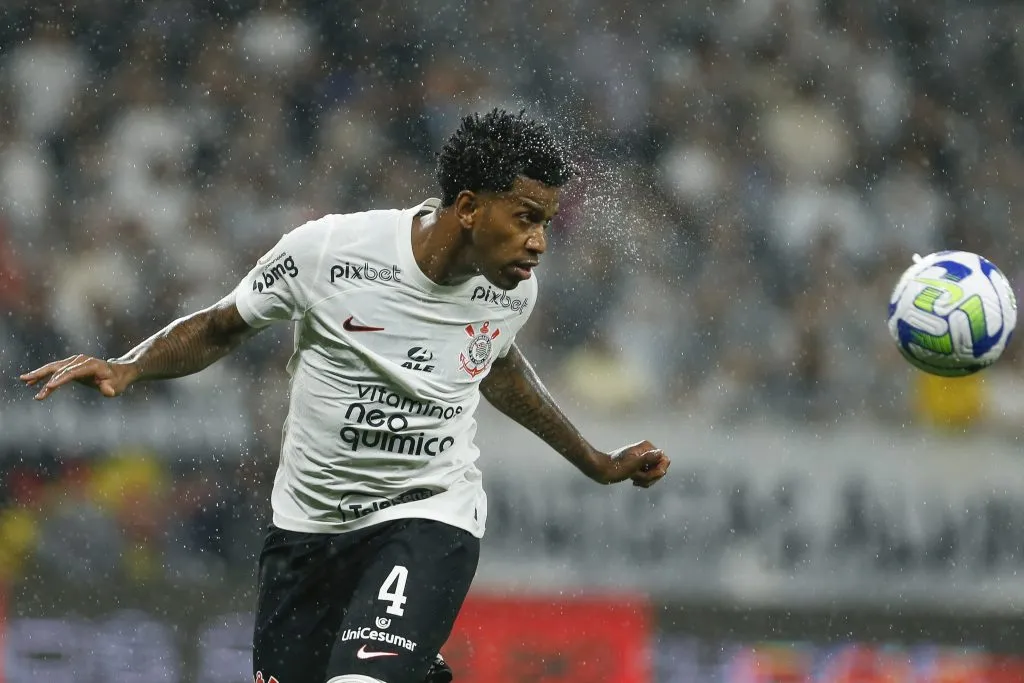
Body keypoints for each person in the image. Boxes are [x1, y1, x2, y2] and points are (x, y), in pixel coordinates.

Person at [20, 109, 671, 683]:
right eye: (527, 218)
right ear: (469, 207)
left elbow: (495, 366)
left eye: (547, 222)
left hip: (427, 516)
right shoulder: (328, 251)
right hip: (308, 531)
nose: (538, 242)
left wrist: (595, 460)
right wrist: (128, 367)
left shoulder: (512, 289)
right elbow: (223, 324)